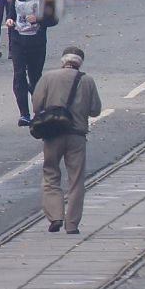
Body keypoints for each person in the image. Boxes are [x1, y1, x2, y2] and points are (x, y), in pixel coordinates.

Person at [33, 46, 103, 235]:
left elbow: (37, 105)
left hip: (53, 134)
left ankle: (55, 216)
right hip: (77, 136)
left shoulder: (48, 77)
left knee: (50, 174)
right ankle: (72, 224)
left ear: (63, 60)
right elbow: (96, 109)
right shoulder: (87, 80)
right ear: (80, 63)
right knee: (76, 180)